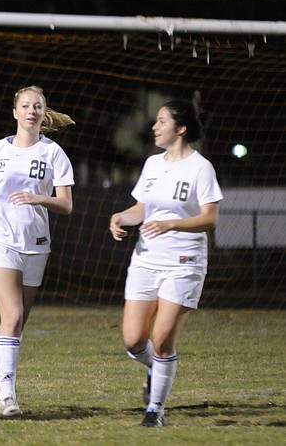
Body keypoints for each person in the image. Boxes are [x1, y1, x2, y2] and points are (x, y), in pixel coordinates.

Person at [0, 85, 74, 416]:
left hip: (35, 243)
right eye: (26, 105)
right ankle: (8, 395)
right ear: (15, 112)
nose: (32, 110)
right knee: (13, 315)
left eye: (38, 105)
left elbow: (66, 204)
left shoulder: (53, 154)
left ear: (43, 112)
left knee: (18, 322)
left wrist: (40, 198)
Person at [109, 100, 222, 428]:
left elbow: (210, 219)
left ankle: (155, 409)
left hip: (184, 262)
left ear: (181, 128)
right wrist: (120, 217)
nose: (154, 127)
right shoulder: (152, 164)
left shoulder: (201, 168)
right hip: (146, 260)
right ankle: (154, 369)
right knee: (133, 341)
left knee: (161, 340)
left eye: (161, 121)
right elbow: (142, 209)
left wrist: (172, 224)